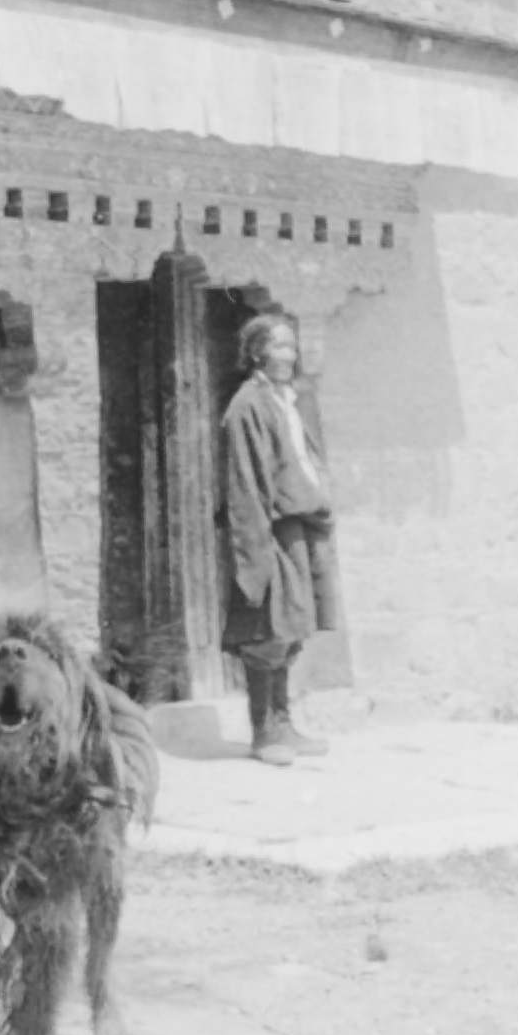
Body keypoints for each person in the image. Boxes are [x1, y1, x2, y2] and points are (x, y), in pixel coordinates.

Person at [219, 312, 338, 766]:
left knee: (292, 629)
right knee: (266, 630)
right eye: (278, 347)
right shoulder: (247, 407)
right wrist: (254, 553)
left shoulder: (289, 401)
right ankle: (263, 731)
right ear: (255, 352)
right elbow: (245, 486)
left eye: (292, 347)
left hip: (301, 527)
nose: (288, 356)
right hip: (270, 529)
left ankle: (284, 722)